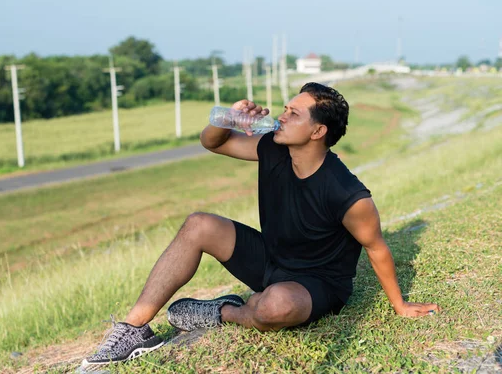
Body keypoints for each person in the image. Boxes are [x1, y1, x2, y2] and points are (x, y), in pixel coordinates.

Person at [81, 82, 440, 368]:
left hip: (315, 284)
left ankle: (223, 312)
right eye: (285, 109)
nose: (282, 117)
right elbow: (212, 143)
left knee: (274, 307)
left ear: (317, 131)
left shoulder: (348, 193)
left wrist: (400, 305)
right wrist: (227, 120)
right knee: (199, 224)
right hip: (270, 260)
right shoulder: (273, 147)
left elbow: (376, 248)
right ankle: (133, 330)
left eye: (293, 114)